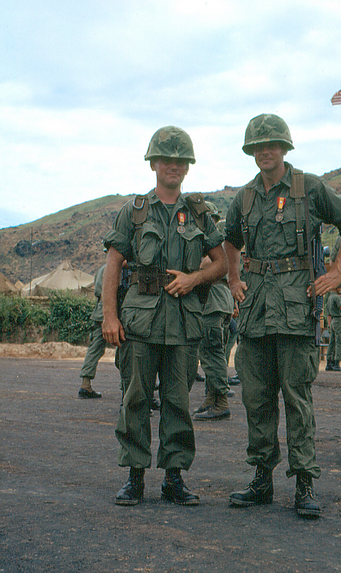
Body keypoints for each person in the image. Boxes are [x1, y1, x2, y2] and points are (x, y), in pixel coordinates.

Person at [224, 113, 341, 517]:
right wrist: (233, 280)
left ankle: (304, 482)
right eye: (257, 146)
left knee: (297, 398)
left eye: (272, 144)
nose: (264, 151)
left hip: (297, 308)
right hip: (255, 312)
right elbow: (230, 240)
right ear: (251, 151)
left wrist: (338, 271)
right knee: (256, 398)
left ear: (284, 148)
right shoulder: (245, 197)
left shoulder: (310, 188)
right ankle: (262, 480)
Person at [101, 126, 227, 507]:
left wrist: (195, 278)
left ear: (187, 167)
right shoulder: (134, 211)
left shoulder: (199, 213)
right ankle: (134, 477)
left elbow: (222, 264)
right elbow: (113, 263)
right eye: (166, 160)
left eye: (180, 161)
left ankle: (174, 478)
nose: (173, 166)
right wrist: (110, 316)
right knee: (135, 398)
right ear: (154, 164)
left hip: (184, 325)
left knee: (178, 402)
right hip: (139, 323)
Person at [193, 202, 235, 420]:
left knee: (211, 353)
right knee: (213, 352)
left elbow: (203, 267)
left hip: (212, 301)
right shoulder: (219, 239)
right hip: (221, 300)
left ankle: (221, 402)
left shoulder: (212, 243)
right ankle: (212, 398)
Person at [78, 264, 106, 398]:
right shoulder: (118, 267)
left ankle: (85, 384)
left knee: (95, 347)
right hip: (113, 308)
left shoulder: (101, 269)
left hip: (100, 309)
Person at [325, 284, 341, 372]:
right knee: (339, 342)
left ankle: (329, 363)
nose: (340, 289)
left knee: (331, 343)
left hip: (332, 320)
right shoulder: (336, 297)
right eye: (340, 288)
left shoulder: (329, 298)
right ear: (336, 288)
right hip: (338, 320)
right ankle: (336, 364)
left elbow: (328, 312)